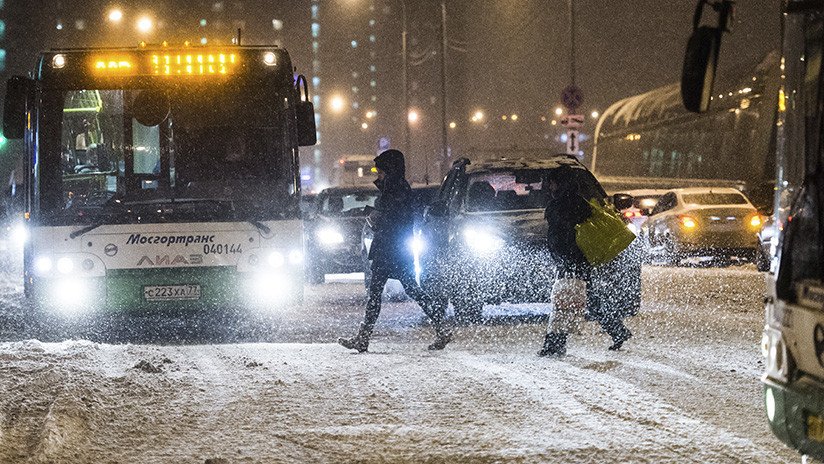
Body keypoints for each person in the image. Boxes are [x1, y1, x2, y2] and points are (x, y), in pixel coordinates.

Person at [338, 149, 452, 352]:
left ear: (389, 171)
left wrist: (370, 213)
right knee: (412, 290)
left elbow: (390, 217)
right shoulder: (398, 187)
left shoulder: (394, 188)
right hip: (397, 248)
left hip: (389, 248)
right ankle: (441, 328)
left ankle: (363, 338)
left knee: (376, 293)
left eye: (380, 172)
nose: (378, 176)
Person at [538, 167, 632, 356]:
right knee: (586, 299)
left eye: (553, 182)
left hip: (570, 261)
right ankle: (617, 330)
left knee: (564, 302)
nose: (550, 185)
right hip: (578, 260)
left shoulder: (561, 205)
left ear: (561, 183)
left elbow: (562, 237)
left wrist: (563, 259)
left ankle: (555, 344)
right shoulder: (580, 202)